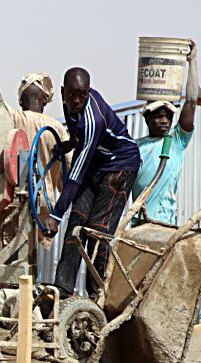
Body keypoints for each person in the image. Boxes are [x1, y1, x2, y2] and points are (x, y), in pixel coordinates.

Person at [49, 68, 141, 298]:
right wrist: (69, 144)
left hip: (119, 166)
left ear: (88, 92)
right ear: (63, 93)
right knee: (77, 223)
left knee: (98, 232)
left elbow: (76, 173)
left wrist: (56, 213)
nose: (76, 100)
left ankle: (95, 296)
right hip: (97, 162)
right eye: (71, 95)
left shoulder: (93, 119)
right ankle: (62, 290)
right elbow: (80, 140)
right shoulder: (70, 106)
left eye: (82, 95)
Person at [132, 41, 199, 225]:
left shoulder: (176, 142)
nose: (164, 121)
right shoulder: (136, 147)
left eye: (168, 117)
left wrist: (192, 62)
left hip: (165, 223)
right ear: (147, 119)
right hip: (138, 223)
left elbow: (192, 101)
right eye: (159, 117)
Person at [9, 73, 70, 226]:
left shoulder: (14, 119)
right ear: (44, 101)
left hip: (15, 201)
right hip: (45, 201)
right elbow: (68, 167)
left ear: (21, 101)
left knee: (13, 246)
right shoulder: (57, 128)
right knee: (34, 246)